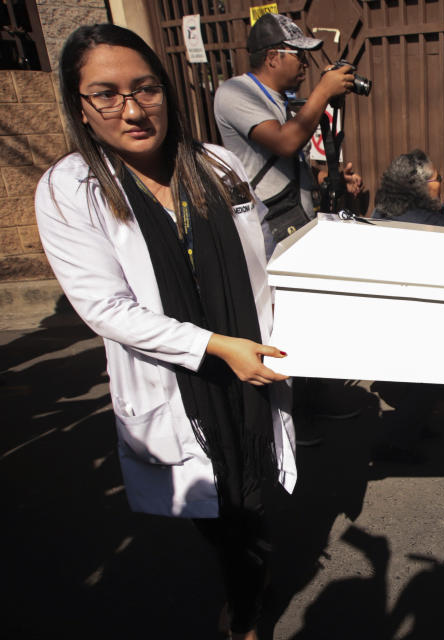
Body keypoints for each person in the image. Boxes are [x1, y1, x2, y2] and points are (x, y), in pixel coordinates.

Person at [34, 25, 296, 638]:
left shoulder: (216, 164)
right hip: (185, 375)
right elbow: (105, 307)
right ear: (80, 105)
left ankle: (246, 598)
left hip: (250, 362)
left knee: (250, 494)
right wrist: (213, 346)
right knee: (226, 511)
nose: (131, 109)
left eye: (145, 88)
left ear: (166, 90)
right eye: (106, 94)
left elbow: (267, 263)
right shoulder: (71, 189)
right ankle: (247, 608)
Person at [368, 150, 444, 462]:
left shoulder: (384, 211)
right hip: (424, 316)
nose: (441, 183)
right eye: (437, 178)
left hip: (392, 312)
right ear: (419, 186)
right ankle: (397, 441)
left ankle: (414, 425)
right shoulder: (427, 221)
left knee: (418, 375)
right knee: (432, 372)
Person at [213, 12, 360, 256]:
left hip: (295, 225)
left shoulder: (281, 100)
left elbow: (285, 162)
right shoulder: (234, 93)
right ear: (272, 58)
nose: (305, 64)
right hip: (268, 235)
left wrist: (326, 175)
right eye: (299, 55)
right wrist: (323, 90)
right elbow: (285, 142)